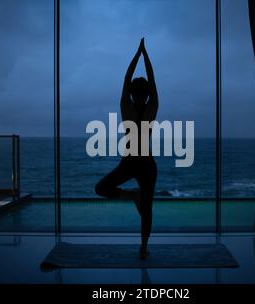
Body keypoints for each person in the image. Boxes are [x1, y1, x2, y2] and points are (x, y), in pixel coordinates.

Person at [95, 38, 158, 260]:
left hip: (146, 165)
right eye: (138, 94)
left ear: (145, 95)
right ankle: (132, 194)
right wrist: (142, 54)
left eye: (142, 94)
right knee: (101, 188)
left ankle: (143, 247)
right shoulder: (130, 106)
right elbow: (135, 79)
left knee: (147, 209)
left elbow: (140, 79)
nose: (140, 97)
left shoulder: (147, 106)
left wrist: (141, 55)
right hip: (130, 162)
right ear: (134, 95)